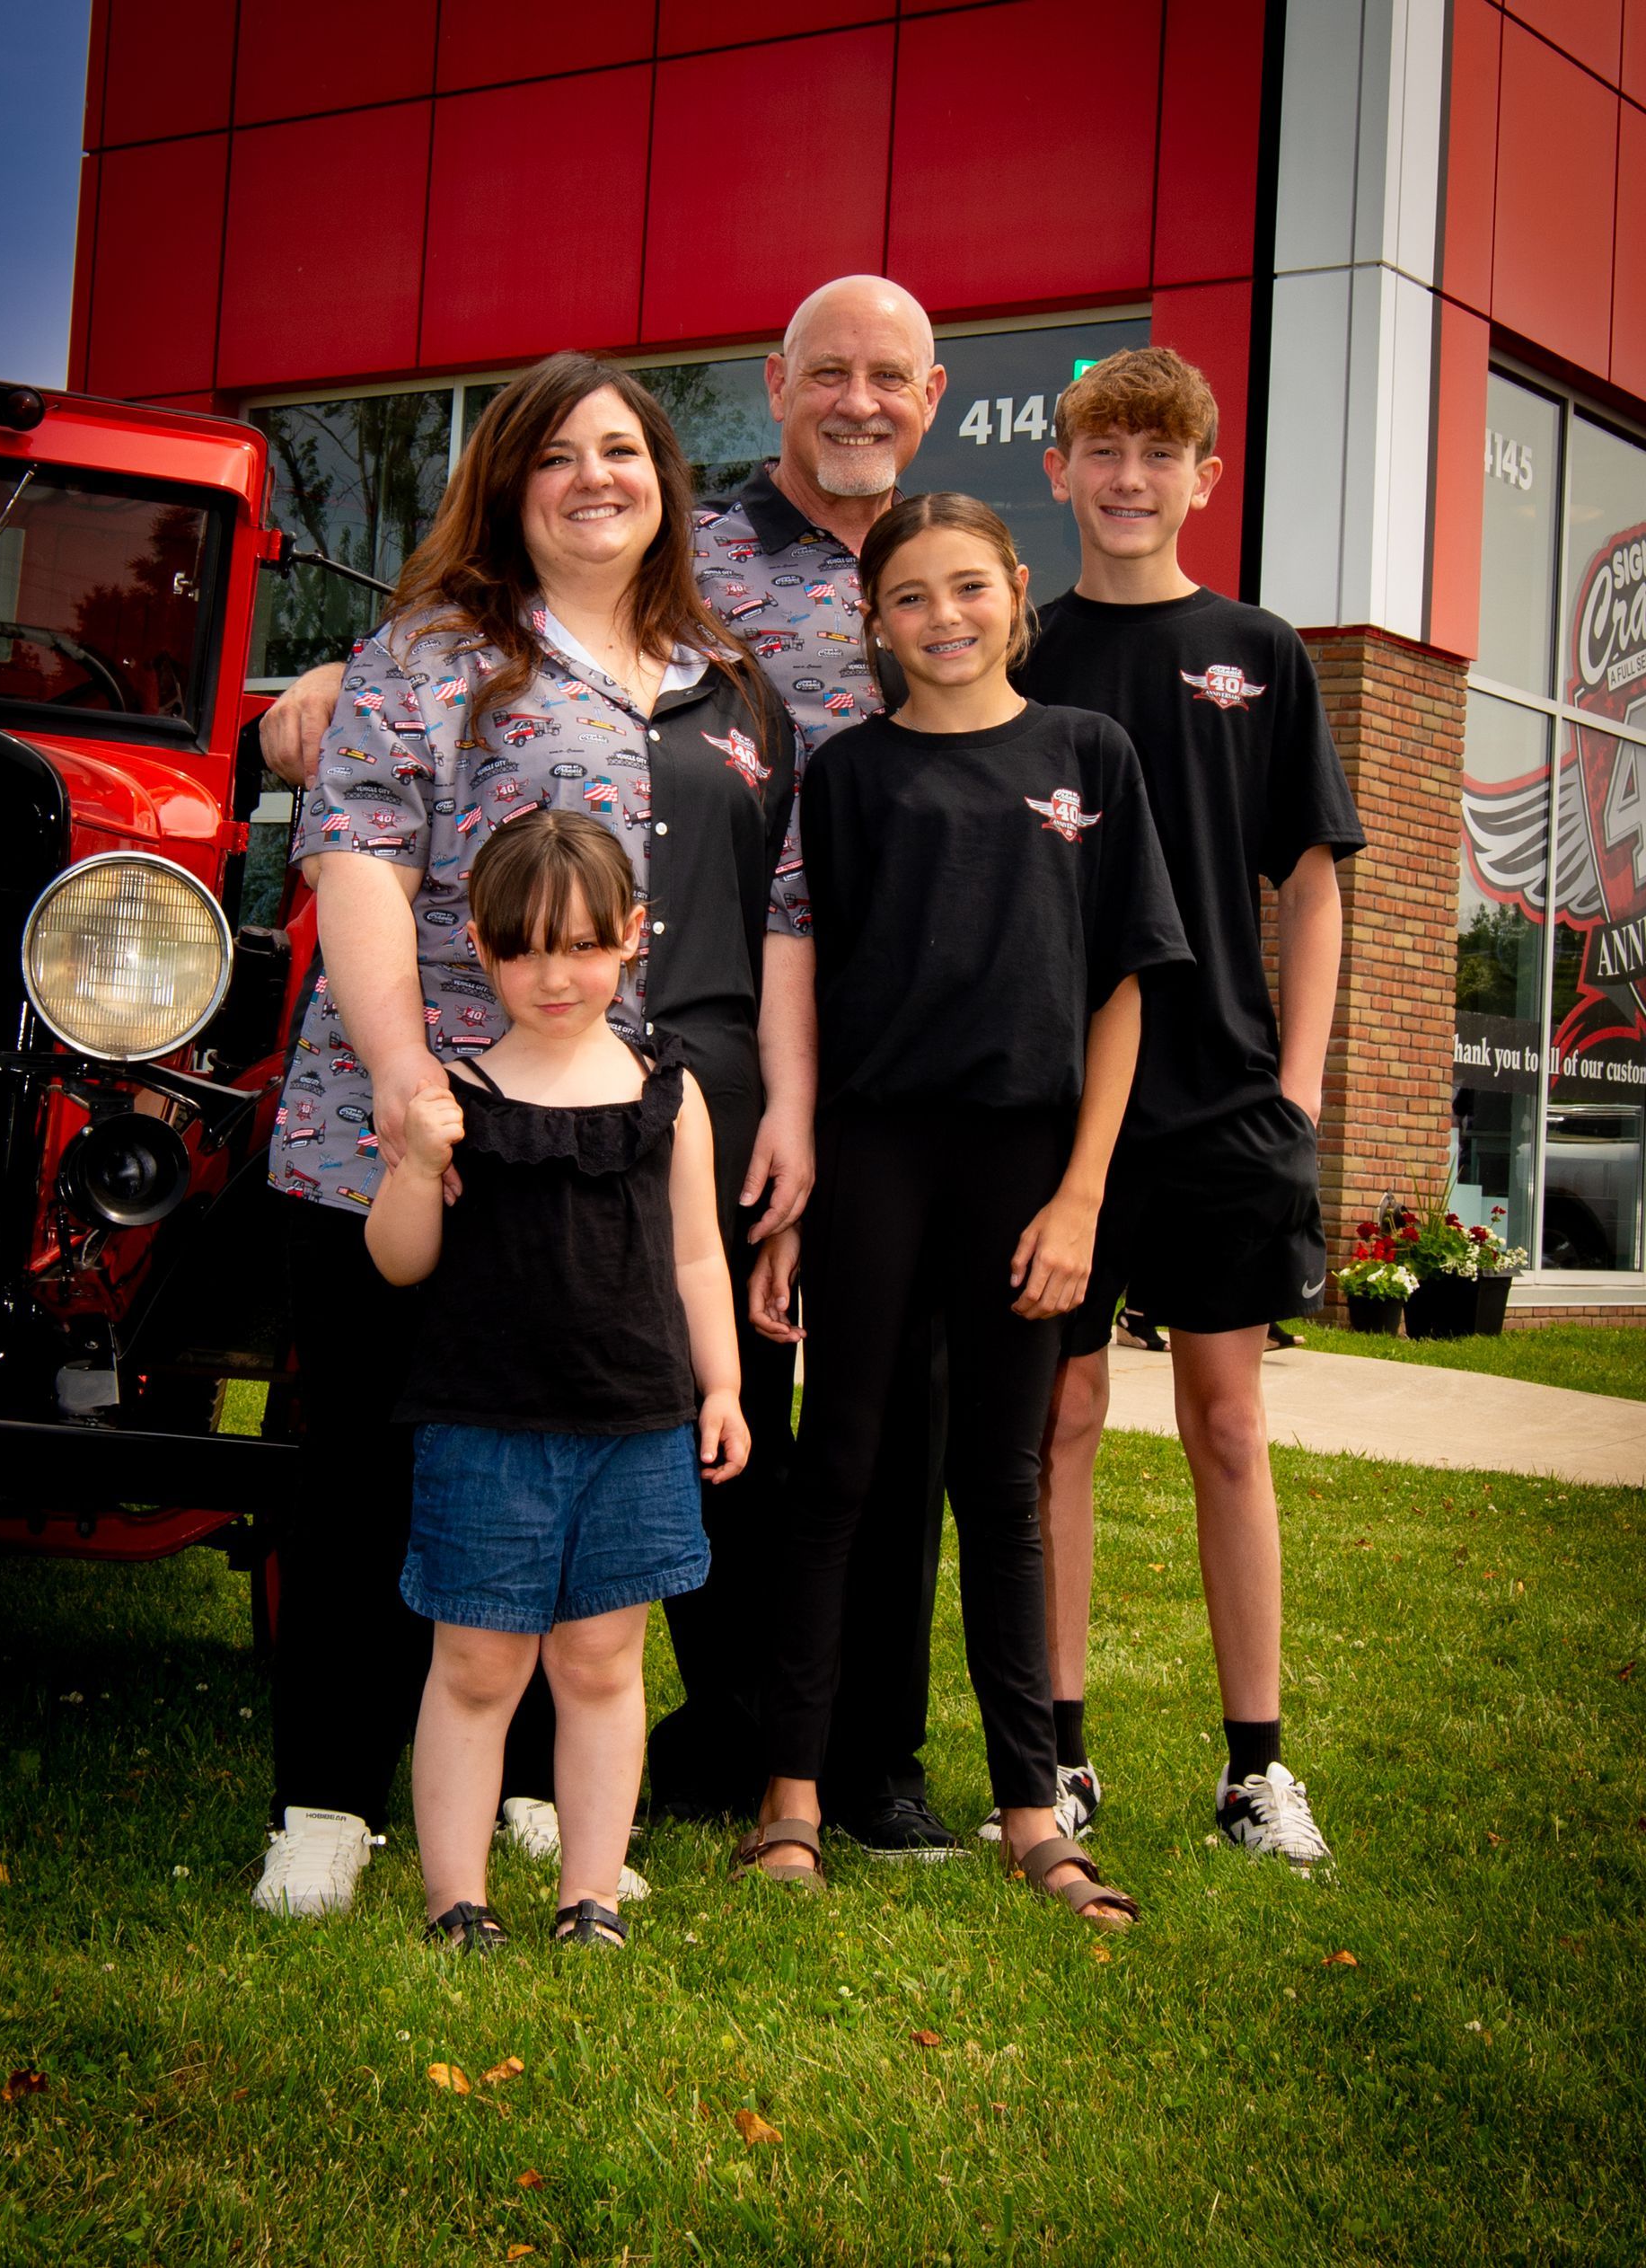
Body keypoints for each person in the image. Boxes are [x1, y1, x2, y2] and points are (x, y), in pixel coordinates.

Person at [259, 277, 971, 1862]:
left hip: (616, 1157)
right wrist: (397, 1073)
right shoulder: (435, 653)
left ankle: (523, 1784)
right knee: (382, 1461)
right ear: (511, 486)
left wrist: (789, 1104)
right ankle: (323, 1804)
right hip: (422, 1133)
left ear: (665, 488)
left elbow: (780, 905)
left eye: (626, 454)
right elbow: (360, 856)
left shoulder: (724, 680)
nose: (597, 479)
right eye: (560, 456)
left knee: (572, 1455)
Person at [742, 493, 1189, 1923]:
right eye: (912, 598)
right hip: (878, 1151)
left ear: (1017, 596)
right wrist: (804, 1186)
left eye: (969, 588)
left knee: (1002, 1484)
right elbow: (806, 969)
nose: (945, 618)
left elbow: (1122, 993)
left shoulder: (1089, 755)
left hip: (1026, 1164)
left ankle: (1032, 1816)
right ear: (874, 624)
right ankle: (791, 1800)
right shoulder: (850, 776)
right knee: (841, 1470)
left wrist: (1080, 1197)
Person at [1012, 347, 1365, 1869]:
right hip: (1056, 1107)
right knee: (1064, 1420)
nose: (1132, 478)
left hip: (1224, 1102)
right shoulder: (1017, 648)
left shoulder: (1261, 652)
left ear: (1205, 481)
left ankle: (1254, 1771)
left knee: (1229, 1422)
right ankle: (1061, 1754)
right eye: (1105, 449)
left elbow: (1315, 881)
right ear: (1062, 471)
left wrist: (1295, 1087)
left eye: (1163, 455)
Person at [366, 811, 747, 1951]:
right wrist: (418, 1161)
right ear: (483, 951)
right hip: (485, 1425)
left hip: (633, 1425)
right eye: (525, 948)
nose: (555, 974)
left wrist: (719, 1387)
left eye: (583, 945)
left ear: (632, 938)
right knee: (477, 1662)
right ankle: (458, 1899)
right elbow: (399, 1260)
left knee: (600, 1661)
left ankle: (593, 1894)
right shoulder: (458, 1097)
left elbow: (695, 1256)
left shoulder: (666, 1094)